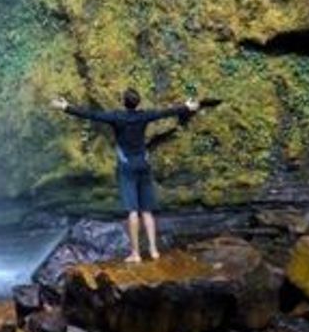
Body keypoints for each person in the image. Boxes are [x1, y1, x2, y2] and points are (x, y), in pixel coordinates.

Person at [51, 88, 201, 263]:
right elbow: (164, 113)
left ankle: (136, 253)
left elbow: (92, 115)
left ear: (124, 102)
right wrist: (187, 106)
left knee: (132, 211)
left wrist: (65, 106)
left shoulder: (117, 117)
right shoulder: (144, 116)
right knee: (147, 211)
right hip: (143, 164)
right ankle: (153, 251)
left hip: (127, 166)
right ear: (138, 102)